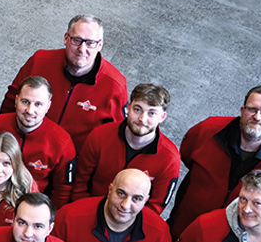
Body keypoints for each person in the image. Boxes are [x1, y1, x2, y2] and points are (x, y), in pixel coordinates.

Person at [172, 84, 261, 225]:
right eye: (252, 109)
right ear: (242, 111)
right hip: (184, 228)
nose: (257, 117)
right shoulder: (206, 131)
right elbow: (186, 156)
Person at [3, 14, 129, 144]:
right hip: (22, 149)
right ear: (66, 38)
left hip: (76, 159)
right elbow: (11, 101)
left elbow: (115, 136)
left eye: (90, 43)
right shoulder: (39, 62)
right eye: (77, 40)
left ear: (100, 45)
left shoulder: (115, 85)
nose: (82, 49)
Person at [68, 81, 182, 212]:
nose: (142, 118)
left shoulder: (169, 159)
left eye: (152, 113)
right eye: (137, 109)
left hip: (130, 225)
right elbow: (79, 185)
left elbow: (154, 208)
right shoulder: (100, 136)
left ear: (162, 117)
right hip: (89, 210)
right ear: (128, 108)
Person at [0, 76, 78, 202]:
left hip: (31, 209)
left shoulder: (62, 143)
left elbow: (62, 193)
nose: (30, 110)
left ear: (48, 106)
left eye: (38, 104)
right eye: (25, 101)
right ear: (16, 100)